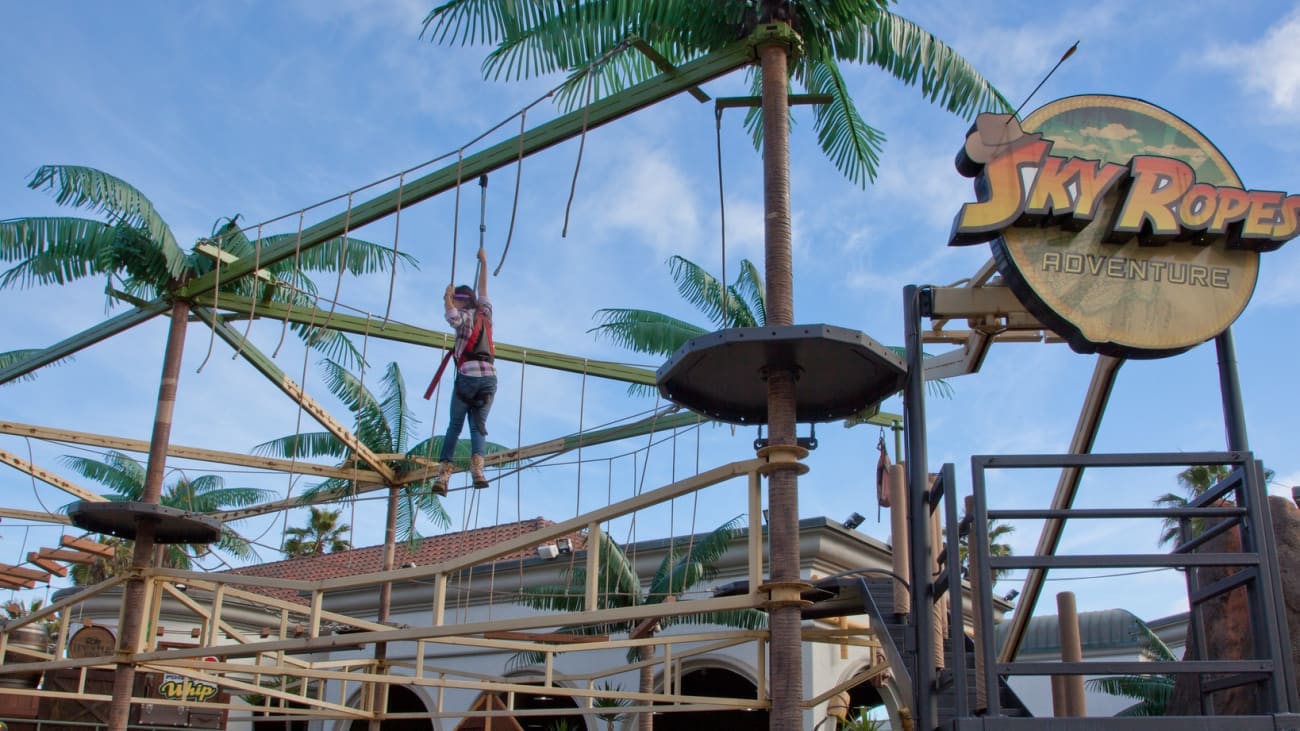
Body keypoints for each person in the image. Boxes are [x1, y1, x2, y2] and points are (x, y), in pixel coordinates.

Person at [433, 248, 496, 494]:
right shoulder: (486, 314)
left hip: (468, 377)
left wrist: (446, 297)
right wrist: (484, 262)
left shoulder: (463, 317)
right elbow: (484, 291)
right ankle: (478, 469)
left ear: (461, 301)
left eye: (457, 300)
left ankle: (444, 474)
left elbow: (451, 316)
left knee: (455, 426)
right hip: (489, 378)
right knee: (478, 426)